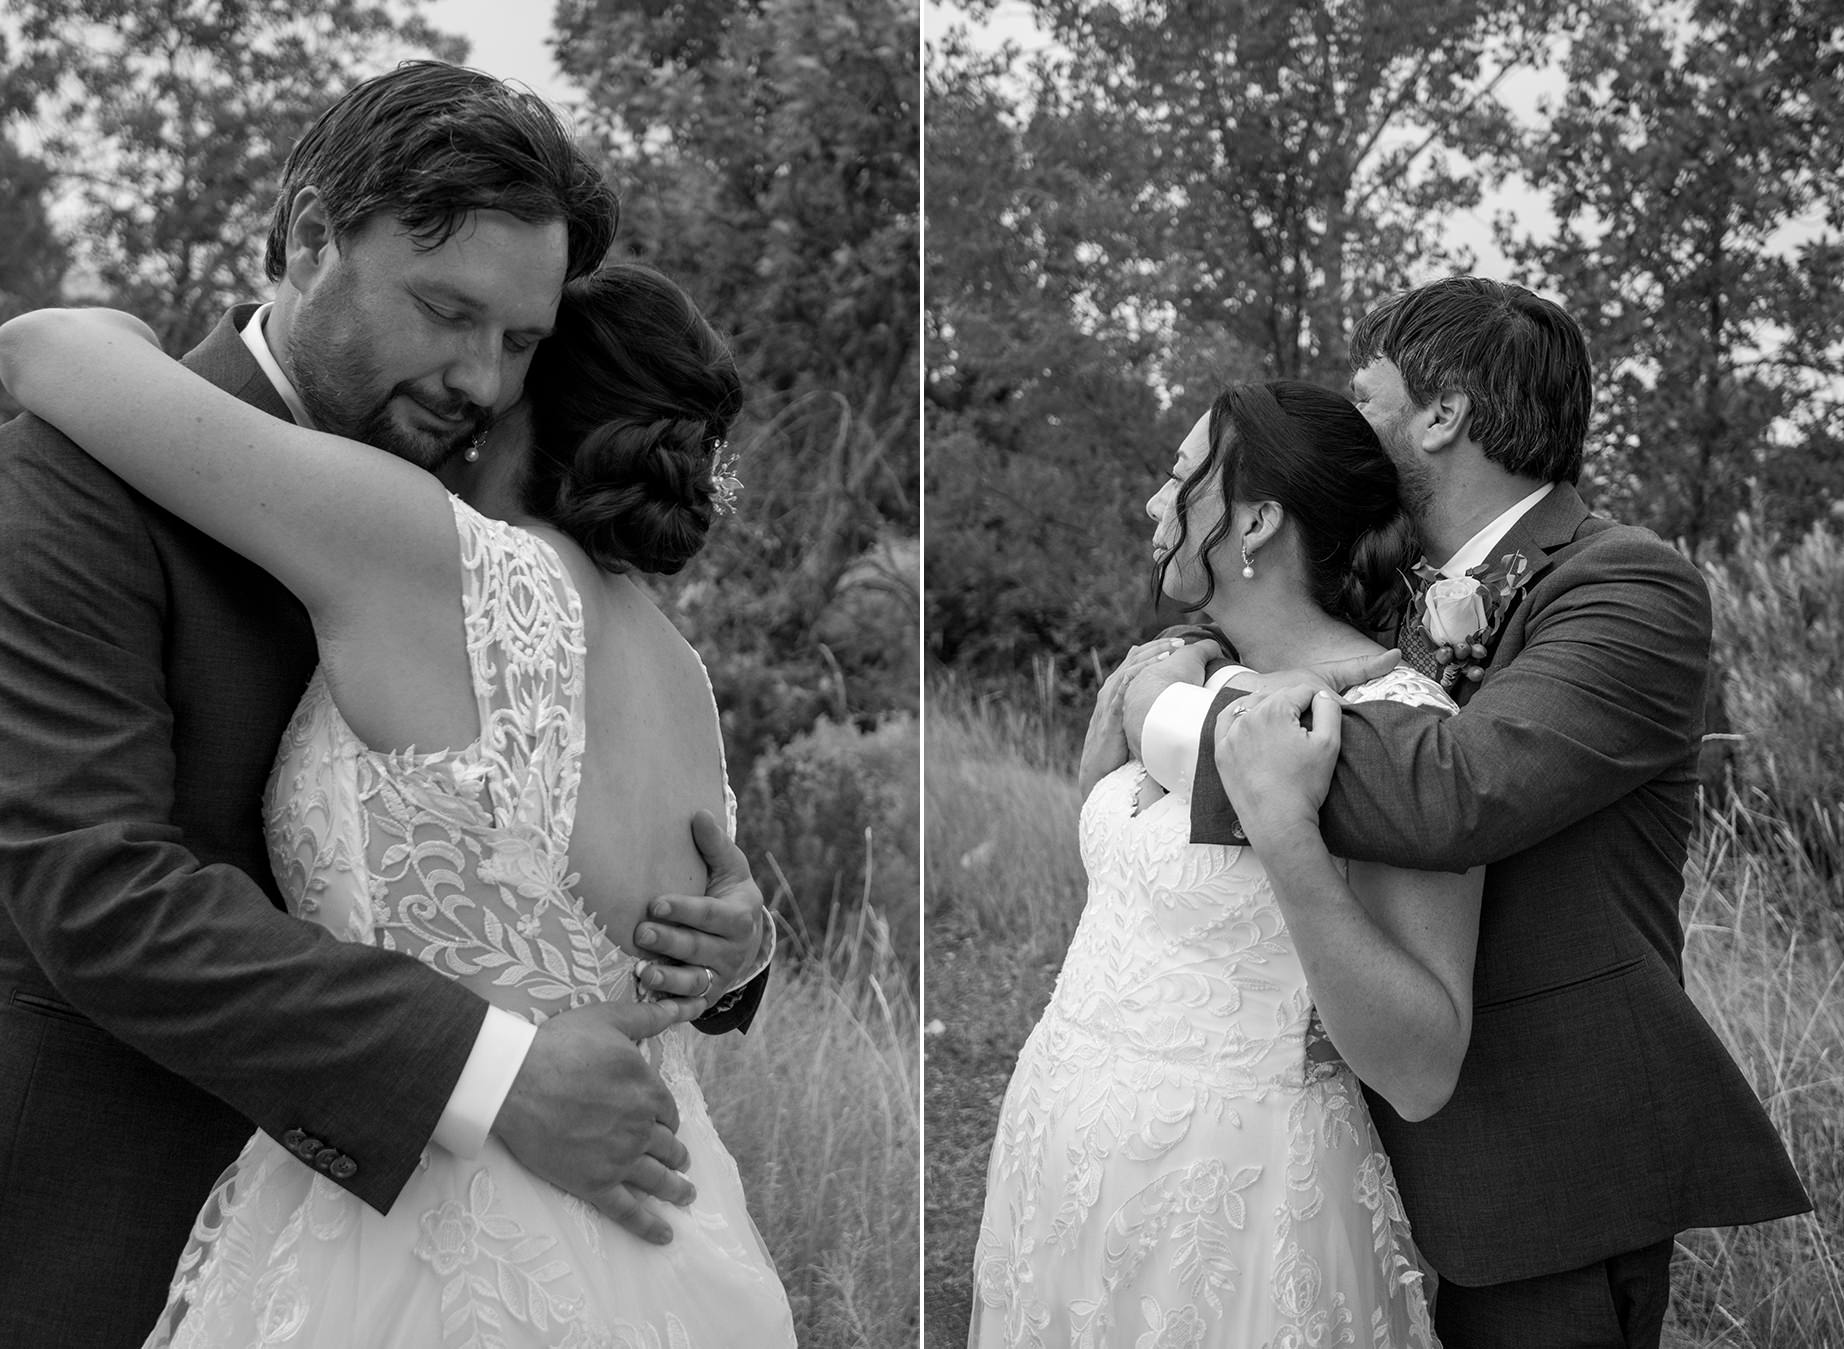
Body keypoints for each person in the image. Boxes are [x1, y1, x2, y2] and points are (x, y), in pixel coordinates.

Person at [0, 63, 771, 1349]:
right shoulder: (73, 479)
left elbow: (537, 849)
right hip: (105, 1217)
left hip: (446, 1252)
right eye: (446, 311)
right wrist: (487, 1069)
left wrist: (721, 947)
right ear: (311, 237)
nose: (482, 380)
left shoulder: (477, 523)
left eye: (521, 343)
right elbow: (96, 885)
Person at [1131, 277, 1811, 1347]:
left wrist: (1179, 718)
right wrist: (1203, 654)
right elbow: (1291, 635)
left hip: (1539, 1167)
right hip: (1342, 1164)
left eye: (1366, 397)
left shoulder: (1626, 584)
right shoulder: (1386, 582)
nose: (1344, 419)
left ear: (1441, 413)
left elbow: (1455, 791)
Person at [970, 379, 1484, 1347]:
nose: (1154, 504)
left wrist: (1286, 830)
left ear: (1255, 520)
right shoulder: (1185, 672)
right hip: (1063, 1162)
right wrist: (1118, 726)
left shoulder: (1398, 729)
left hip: (1235, 1207)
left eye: (1180, 480)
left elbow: (1422, 1066)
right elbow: (1132, 889)